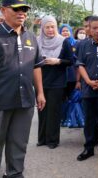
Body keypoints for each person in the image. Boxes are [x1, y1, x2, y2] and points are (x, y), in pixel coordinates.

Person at [0, 0, 46, 178]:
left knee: (19, 141)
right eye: (16, 8)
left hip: (25, 99)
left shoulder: (31, 37)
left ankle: (14, 173)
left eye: (24, 9)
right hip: (1, 99)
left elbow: (36, 67)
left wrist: (40, 92)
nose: (22, 13)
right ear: (3, 10)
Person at [37, 15, 73, 149]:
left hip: (57, 82)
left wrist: (57, 61)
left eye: (52, 26)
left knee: (53, 111)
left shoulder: (64, 41)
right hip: (41, 81)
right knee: (42, 110)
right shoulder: (37, 41)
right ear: (43, 28)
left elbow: (71, 61)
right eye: (47, 27)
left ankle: (52, 141)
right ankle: (42, 139)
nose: (50, 29)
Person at [76, 16, 98, 161]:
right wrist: (88, 81)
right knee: (89, 121)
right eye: (94, 28)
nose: (97, 31)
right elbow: (80, 64)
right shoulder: (83, 45)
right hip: (88, 90)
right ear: (89, 28)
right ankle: (88, 148)